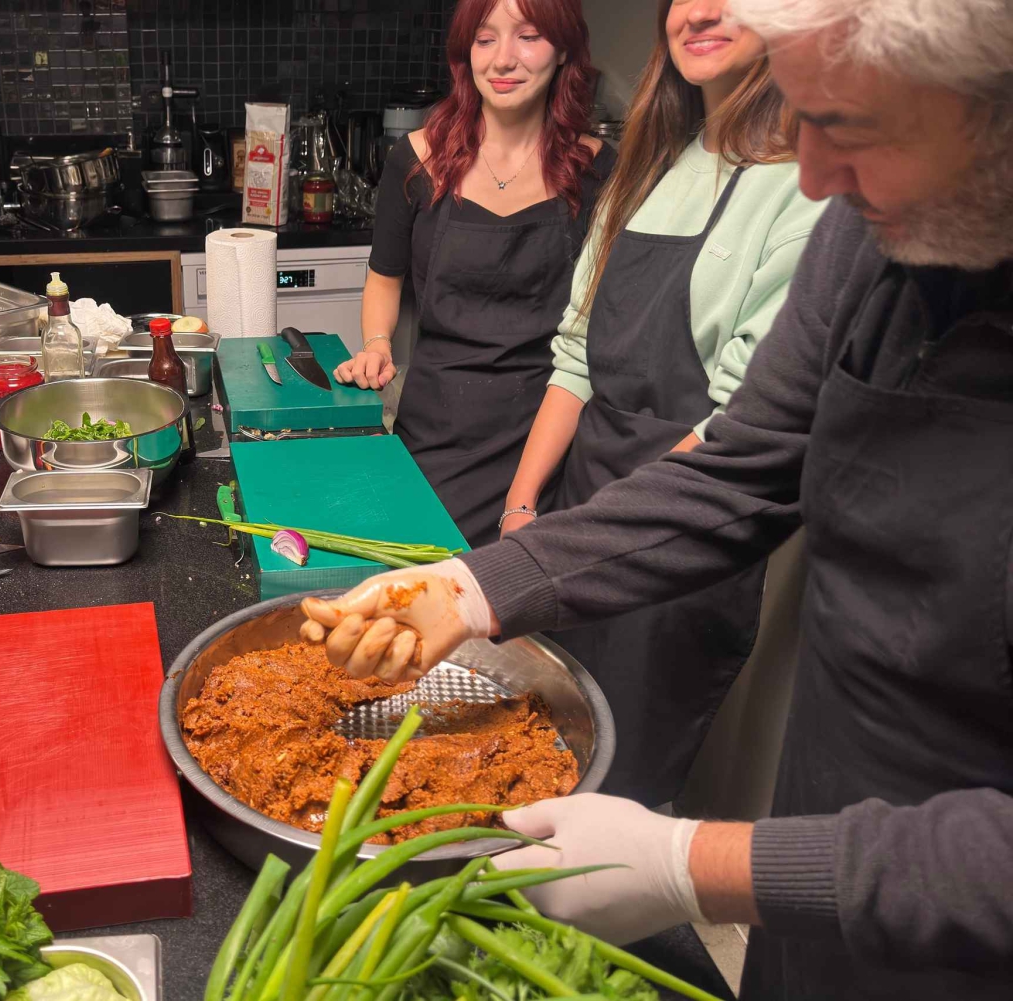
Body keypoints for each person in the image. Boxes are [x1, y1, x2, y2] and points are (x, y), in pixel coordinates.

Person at [300, 0, 1013, 994]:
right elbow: (743, 466)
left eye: (847, 125)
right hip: (833, 799)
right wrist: (468, 589)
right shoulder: (865, 242)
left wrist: (695, 864)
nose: (812, 176)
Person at [496, 0, 827, 806]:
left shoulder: (807, 189)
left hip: (681, 539)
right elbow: (577, 355)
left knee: (615, 793)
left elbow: (737, 423)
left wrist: (588, 547)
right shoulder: (650, 168)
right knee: (540, 758)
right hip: (582, 506)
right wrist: (522, 507)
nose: (701, 11)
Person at [333, 0, 616, 547]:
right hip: (436, 429)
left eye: (528, 37)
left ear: (563, 50)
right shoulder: (416, 159)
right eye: (485, 39)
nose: (503, 59)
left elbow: (597, 330)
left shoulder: (599, 170)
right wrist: (377, 345)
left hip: (547, 434)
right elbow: (385, 276)